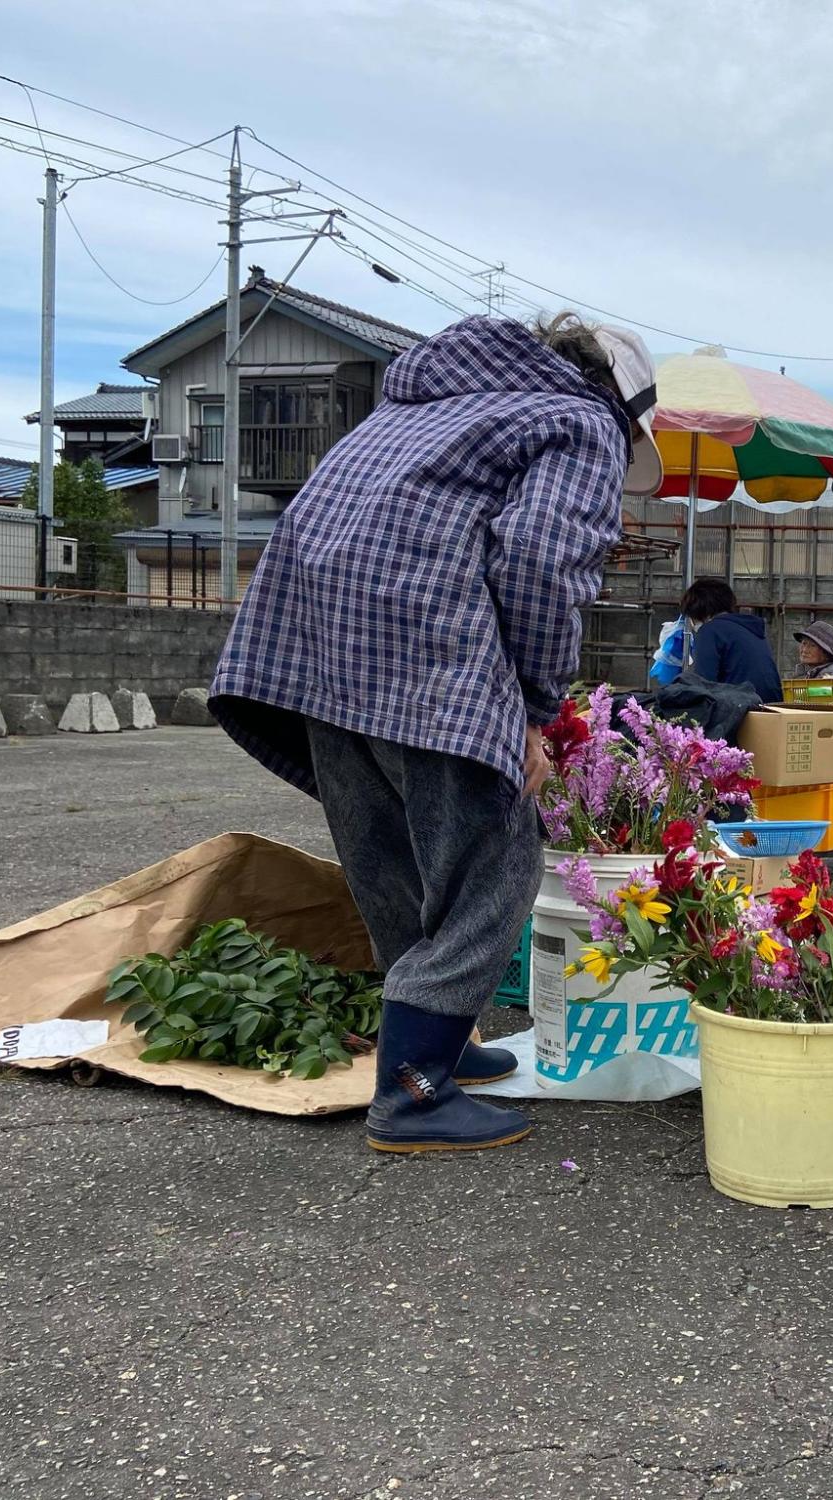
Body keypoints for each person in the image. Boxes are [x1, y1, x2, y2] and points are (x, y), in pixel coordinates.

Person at [208, 311, 661, 1155]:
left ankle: (436, 1045)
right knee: (496, 863)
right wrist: (530, 707)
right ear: (618, 400)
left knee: (391, 860)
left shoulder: (409, 409)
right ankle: (415, 1095)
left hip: (318, 658)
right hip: (428, 657)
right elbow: (541, 561)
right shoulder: (577, 419)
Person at [683, 578, 783, 703]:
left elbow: (703, 685)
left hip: (740, 711)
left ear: (699, 610)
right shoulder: (750, 629)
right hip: (772, 708)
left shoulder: (710, 631)